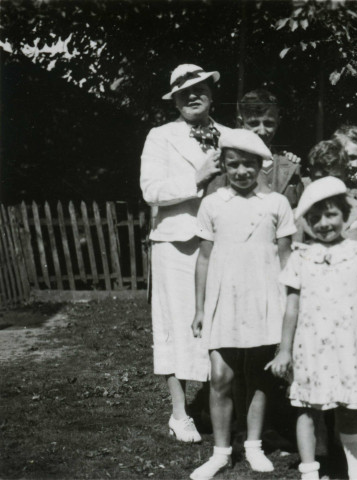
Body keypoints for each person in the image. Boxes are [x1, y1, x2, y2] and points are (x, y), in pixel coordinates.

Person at [189, 129, 296, 480]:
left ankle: (252, 445)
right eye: (233, 165)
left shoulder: (276, 204)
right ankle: (220, 452)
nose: (241, 172)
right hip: (225, 298)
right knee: (221, 375)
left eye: (248, 165)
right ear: (223, 165)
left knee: (257, 375)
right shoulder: (212, 203)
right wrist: (201, 308)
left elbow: (285, 260)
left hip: (263, 298)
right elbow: (203, 259)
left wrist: (286, 308)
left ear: (261, 166)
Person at [140, 63, 231, 442]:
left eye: (200, 89)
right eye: (183, 92)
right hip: (176, 244)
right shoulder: (161, 137)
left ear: (212, 94)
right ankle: (180, 414)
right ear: (175, 101)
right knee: (176, 325)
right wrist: (197, 177)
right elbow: (151, 190)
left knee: (222, 325)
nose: (192, 96)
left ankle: (225, 406)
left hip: (222, 243)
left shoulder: (230, 134)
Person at [268, 177, 357, 480]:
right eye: (314, 217)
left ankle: (355, 471)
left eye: (330, 214)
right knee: (307, 408)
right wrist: (285, 350)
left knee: (348, 408)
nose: (323, 223)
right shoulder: (301, 257)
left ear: (345, 215)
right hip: (311, 348)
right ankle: (309, 471)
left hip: (350, 346)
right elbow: (291, 307)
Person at [295, 140, 357, 243]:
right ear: (310, 175)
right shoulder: (299, 196)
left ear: (346, 174)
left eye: (336, 178)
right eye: (320, 179)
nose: (328, 186)